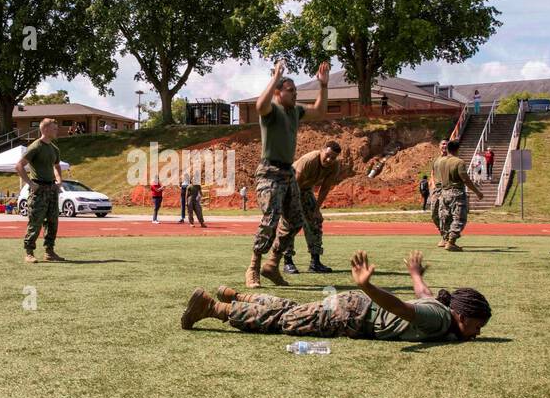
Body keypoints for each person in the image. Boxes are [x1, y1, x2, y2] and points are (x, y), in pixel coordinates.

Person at [181, 249, 491, 343]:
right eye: (477, 326)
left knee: (293, 310)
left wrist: (415, 275)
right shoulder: (438, 320)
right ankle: (213, 307)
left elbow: (423, 295)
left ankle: (237, 296)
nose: (477, 333)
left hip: (354, 308)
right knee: (284, 322)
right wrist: (368, 287)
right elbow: (402, 308)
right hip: (354, 315)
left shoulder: (440, 308)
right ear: (461, 316)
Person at [245, 59, 329, 287]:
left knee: (296, 220)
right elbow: (259, 106)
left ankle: (272, 264)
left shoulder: (295, 111)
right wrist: (275, 77)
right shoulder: (272, 110)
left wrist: (323, 85)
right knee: (270, 219)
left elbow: (320, 111)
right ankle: (253, 267)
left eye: (295, 91)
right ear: (278, 93)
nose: (295, 94)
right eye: (290, 90)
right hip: (269, 172)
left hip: (287, 173)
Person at [282, 141, 342, 274]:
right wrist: (291, 207)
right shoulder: (309, 160)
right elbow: (295, 184)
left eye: (333, 157)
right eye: (327, 155)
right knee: (290, 223)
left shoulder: (334, 166)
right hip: (288, 189)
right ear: (321, 150)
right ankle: (288, 261)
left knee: (315, 221)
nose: (329, 159)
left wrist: (316, 210)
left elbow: (325, 188)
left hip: (306, 190)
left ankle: (315, 263)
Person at [19, 118, 64, 262]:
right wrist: (30, 183)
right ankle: (29, 253)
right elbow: (19, 166)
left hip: (52, 189)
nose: (57, 131)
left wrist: (59, 181)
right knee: (36, 221)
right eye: (54, 128)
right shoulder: (35, 147)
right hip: (39, 190)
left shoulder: (54, 148)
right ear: (45, 129)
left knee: (52, 221)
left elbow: (57, 166)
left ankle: (49, 252)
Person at [431, 139, 483, 251]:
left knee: (445, 217)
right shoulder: (459, 162)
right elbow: (465, 179)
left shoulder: (441, 162)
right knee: (459, 218)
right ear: (457, 149)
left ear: (448, 149)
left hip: (444, 193)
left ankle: (445, 239)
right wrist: (477, 192)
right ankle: (451, 242)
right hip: (456, 193)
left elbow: (436, 177)